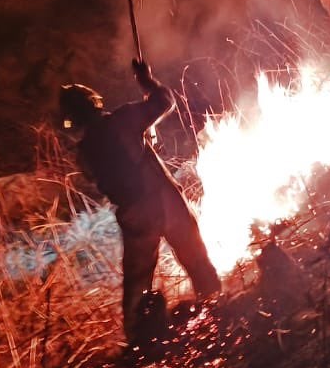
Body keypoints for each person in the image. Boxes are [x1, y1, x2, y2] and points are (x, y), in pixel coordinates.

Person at [58, 59, 221, 341]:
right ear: (94, 103)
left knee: (136, 284)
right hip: (163, 202)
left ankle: (137, 339)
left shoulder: (84, 153)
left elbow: (99, 179)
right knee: (195, 257)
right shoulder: (123, 119)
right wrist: (147, 81)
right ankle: (216, 307)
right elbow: (164, 102)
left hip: (134, 217)